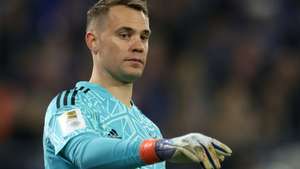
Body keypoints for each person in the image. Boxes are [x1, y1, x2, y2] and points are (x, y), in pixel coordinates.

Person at [42, 0, 232, 169]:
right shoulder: (70, 104)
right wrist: (159, 148)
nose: (138, 45)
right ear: (93, 41)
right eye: (124, 35)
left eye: (144, 37)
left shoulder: (150, 130)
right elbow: (84, 153)